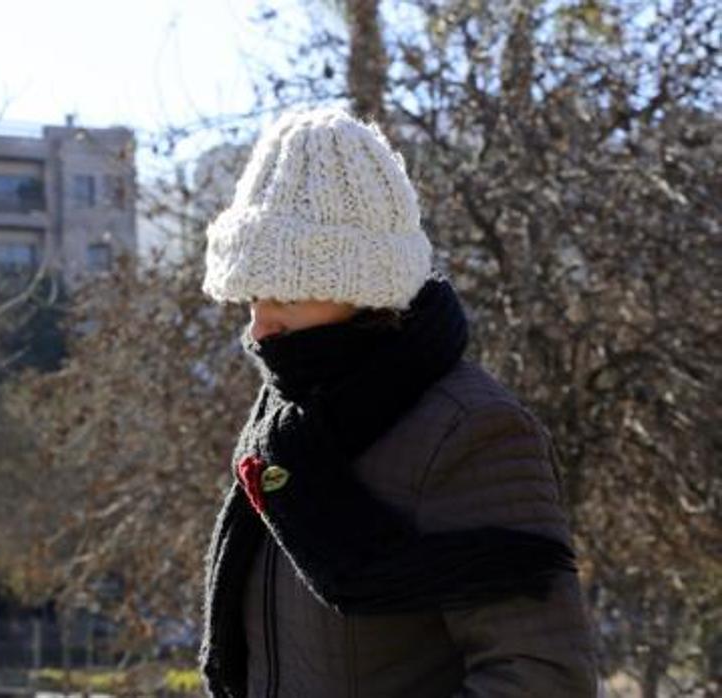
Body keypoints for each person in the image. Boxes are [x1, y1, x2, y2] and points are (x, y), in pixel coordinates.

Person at [198, 108, 598, 697]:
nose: (260, 326)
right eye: (252, 295)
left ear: (363, 288)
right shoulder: (287, 431)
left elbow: (540, 678)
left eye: (283, 291)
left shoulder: (473, 429)